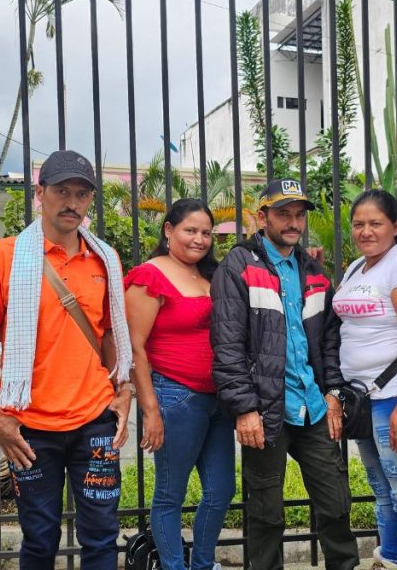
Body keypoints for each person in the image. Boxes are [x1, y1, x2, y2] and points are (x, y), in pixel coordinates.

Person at [0, 149, 134, 570]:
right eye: (62, 191)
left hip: (94, 418)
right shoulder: (2, 257)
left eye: (81, 194)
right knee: (39, 538)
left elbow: (111, 333)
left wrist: (124, 390)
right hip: (29, 428)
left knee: (100, 537)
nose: (72, 202)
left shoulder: (105, 260)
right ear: (40, 194)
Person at [210, 178, 359, 570]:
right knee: (265, 513)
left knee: (335, 503)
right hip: (265, 410)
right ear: (262, 217)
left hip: (312, 406)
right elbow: (227, 346)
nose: (293, 222)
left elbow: (329, 341)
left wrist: (333, 393)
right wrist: (244, 408)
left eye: (298, 215)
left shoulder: (313, 270)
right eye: (283, 214)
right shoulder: (237, 266)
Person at [124, 198, 235, 570]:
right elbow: (134, 346)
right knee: (170, 495)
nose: (200, 239)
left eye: (206, 232)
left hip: (217, 398)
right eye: (190, 230)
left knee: (221, 491)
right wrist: (150, 409)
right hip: (175, 396)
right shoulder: (150, 275)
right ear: (169, 230)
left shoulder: (210, 276)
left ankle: (202, 565)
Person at [333, 189, 397, 570]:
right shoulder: (356, 268)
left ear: (394, 226)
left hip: (395, 396)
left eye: (375, 223)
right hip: (363, 401)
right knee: (382, 492)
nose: (366, 231)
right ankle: (389, 559)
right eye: (358, 224)